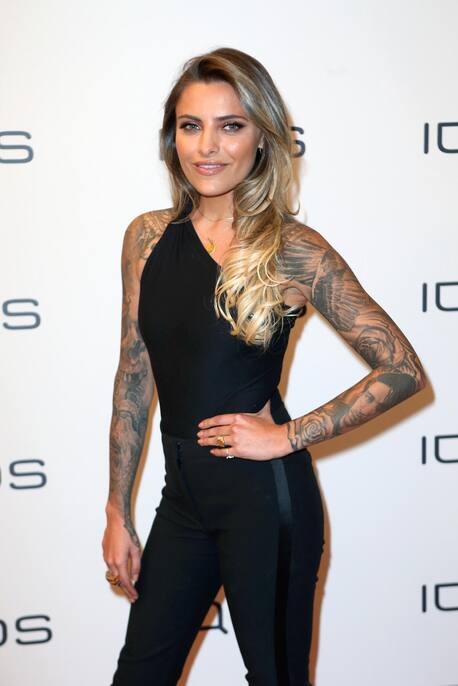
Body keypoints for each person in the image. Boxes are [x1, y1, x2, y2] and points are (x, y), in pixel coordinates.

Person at [102, 47, 426, 686]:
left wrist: (287, 435)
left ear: (262, 138)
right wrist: (117, 509)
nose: (207, 146)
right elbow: (133, 374)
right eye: (191, 126)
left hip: (265, 505)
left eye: (231, 126)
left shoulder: (293, 251)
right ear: (172, 137)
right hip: (182, 503)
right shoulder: (145, 237)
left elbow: (402, 367)